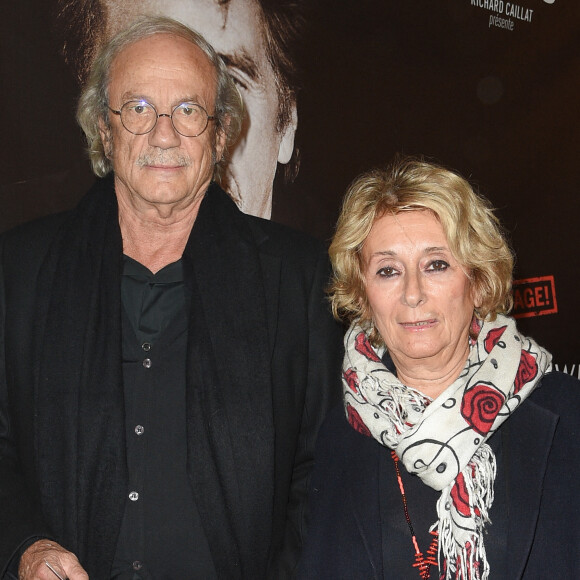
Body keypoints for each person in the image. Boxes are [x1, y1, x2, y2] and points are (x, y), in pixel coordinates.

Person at [0, 16, 343, 580]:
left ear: (220, 132)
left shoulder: (299, 279)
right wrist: (24, 548)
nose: (164, 134)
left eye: (188, 110)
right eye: (137, 108)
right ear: (104, 132)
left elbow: (324, 473)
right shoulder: (19, 273)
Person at [297, 156, 580, 579]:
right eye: (388, 270)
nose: (413, 293)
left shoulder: (568, 413)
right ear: (363, 294)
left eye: (436, 265)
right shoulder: (339, 433)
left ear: (479, 282)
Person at [54, 0, 305, 219]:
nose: (168, 137)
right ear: (98, 124)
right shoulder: (30, 262)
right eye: (139, 102)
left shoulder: (319, 270)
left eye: (230, 85)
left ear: (287, 123)